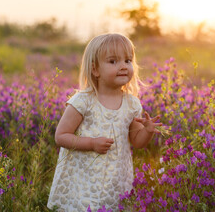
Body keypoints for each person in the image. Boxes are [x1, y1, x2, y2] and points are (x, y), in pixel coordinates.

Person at [47, 33, 162, 211]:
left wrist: (147, 131)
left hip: (115, 179)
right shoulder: (83, 101)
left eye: (128, 60)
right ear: (95, 70)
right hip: (83, 181)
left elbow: (137, 141)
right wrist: (91, 143)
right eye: (113, 61)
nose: (123, 66)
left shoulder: (132, 104)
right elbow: (61, 136)